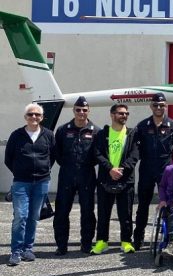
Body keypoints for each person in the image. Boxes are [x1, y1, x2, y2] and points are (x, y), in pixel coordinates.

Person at [5, 103, 55, 266]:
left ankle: (28, 248)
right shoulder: (16, 135)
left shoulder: (48, 134)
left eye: (37, 115)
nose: (34, 117)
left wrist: (42, 170)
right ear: (25, 117)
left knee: (33, 217)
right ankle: (16, 251)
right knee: (20, 216)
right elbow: (8, 159)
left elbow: (52, 156)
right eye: (30, 114)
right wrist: (21, 171)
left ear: (42, 117)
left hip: (41, 182)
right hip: (21, 182)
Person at [132, 93, 173, 250]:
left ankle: (168, 238)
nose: (159, 108)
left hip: (165, 170)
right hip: (146, 169)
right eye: (156, 105)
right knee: (143, 205)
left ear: (165, 106)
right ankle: (138, 238)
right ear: (151, 106)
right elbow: (136, 148)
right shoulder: (142, 125)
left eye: (162, 105)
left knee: (168, 204)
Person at [92, 104, 140, 255]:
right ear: (112, 115)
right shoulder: (102, 134)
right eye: (120, 113)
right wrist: (109, 169)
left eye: (126, 113)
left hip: (125, 180)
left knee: (125, 213)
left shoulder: (132, 133)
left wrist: (122, 170)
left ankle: (126, 242)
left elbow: (135, 155)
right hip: (106, 178)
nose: (124, 116)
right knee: (103, 213)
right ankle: (101, 242)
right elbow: (97, 153)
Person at [52, 96, 98, 256]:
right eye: (78, 109)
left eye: (84, 110)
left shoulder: (95, 131)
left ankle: (86, 244)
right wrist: (67, 165)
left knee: (87, 211)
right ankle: (61, 245)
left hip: (87, 175)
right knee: (62, 211)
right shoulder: (63, 130)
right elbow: (56, 153)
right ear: (74, 111)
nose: (81, 112)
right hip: (67, 174)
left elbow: (98, 154)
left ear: (88, 111)